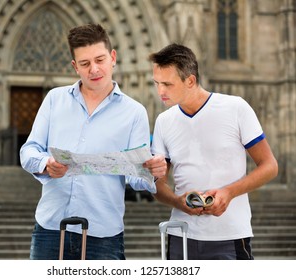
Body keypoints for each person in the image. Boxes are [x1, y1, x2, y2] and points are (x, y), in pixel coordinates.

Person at [20, 23, 166, 260]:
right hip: (50, 230)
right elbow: (28, 151)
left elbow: (136, 177)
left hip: (103, 237)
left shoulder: (134, 112)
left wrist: (152, 171)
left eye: (100, 60)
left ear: (113, 58)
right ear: (75, 66)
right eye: (85, 64)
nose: (94, 69)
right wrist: (45, 163)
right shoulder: (54, 100)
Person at [149, 43, 278, 260]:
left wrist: (228, 192)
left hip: (230, 237)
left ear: (190, 80)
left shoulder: (236, 108)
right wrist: (176, 201)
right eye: (157, 83)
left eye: (167, 84)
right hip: (180, 235)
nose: (160, 91)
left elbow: (270, 166)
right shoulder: (163, 121)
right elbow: (157, 184)